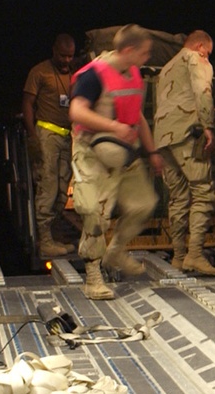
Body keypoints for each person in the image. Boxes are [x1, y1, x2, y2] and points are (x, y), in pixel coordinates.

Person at [68, 24, 164, 300]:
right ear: (129, 50)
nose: (147, 58)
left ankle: (116, 251)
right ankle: (93, 277)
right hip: (93, 151)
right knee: (95, 215)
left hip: (125, 149)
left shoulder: (133, 73)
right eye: (145, 53)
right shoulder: (95, 74)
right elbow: (76, 111)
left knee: (144, 203)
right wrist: (112, 126)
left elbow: (137, 116)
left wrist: (152, 151)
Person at [153, 30, 215, 275]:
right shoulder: (195, 59)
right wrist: (208, 126)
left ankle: (179, 256)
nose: (208, 57)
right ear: (200, 46)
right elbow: (203, 92)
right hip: (186, 134)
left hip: (163, 137)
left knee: (178, 197)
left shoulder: (166, 68)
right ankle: (195, 255)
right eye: (208, 52)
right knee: (204, 193)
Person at [22, 33, 77, 258]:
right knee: (48, 186)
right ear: (54, 50)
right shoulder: (40, 72)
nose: (66, 61)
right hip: (47, 133)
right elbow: (27, 103)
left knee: (63, 190)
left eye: (70, 57)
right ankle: (44, 240)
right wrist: (33, 136)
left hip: (68, 136)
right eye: (62, 56)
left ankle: (53, 236)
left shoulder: (75, 74)